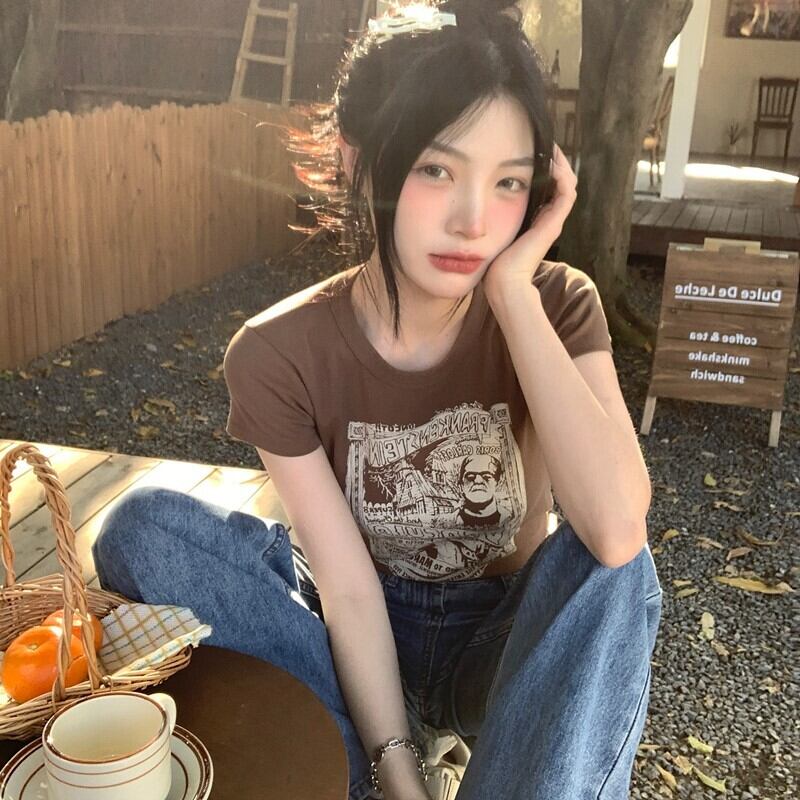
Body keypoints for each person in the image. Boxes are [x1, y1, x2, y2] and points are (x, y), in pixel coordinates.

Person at [92, 2, 662, 798]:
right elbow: (349, 588)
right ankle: (353, 760)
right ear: (358, 159)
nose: (473, 220)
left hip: (497, 647)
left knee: (616, 569)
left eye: (508, 182)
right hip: (348, 628)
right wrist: (396, 764)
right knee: (142, 527)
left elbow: (616, 529)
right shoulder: (276, 352)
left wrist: (512, 294)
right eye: (436, 169)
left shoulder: (556, 304)